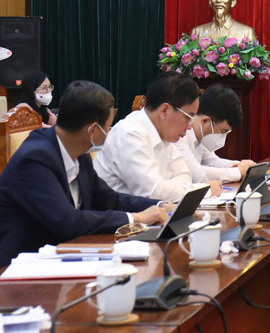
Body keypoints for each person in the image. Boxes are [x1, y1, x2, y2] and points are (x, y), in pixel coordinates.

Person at [0, 80, 168, 267]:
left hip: (65, 254)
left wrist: (161, 206)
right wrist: (137, 218)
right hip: (19, 267)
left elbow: (108, 199)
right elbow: (67, 221)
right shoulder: (35, 159)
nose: (109, 133)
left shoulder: (79, 154)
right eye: (108, 127)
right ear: (93, 130)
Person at [95, 72, 221, 200]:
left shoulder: (164, 134)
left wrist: (169, 188)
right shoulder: (129, 134)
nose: (190, 127)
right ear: (164, 110)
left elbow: (184, 176)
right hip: (122, 213)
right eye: (188, 117)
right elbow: (152, 192)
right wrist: (204, 190)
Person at [174, 84, 254, 183]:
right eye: (223, 131)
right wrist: (238, 172)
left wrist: (241, 166)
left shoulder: (201, 135)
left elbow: (212, 161)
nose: (223, 137)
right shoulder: (179, 134)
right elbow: (196, 174)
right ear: (205, 121)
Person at [190, 0, 257, 42]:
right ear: (210, 2)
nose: (218, 0)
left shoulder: (246, 32)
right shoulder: (197, 32)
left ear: (233, 1)